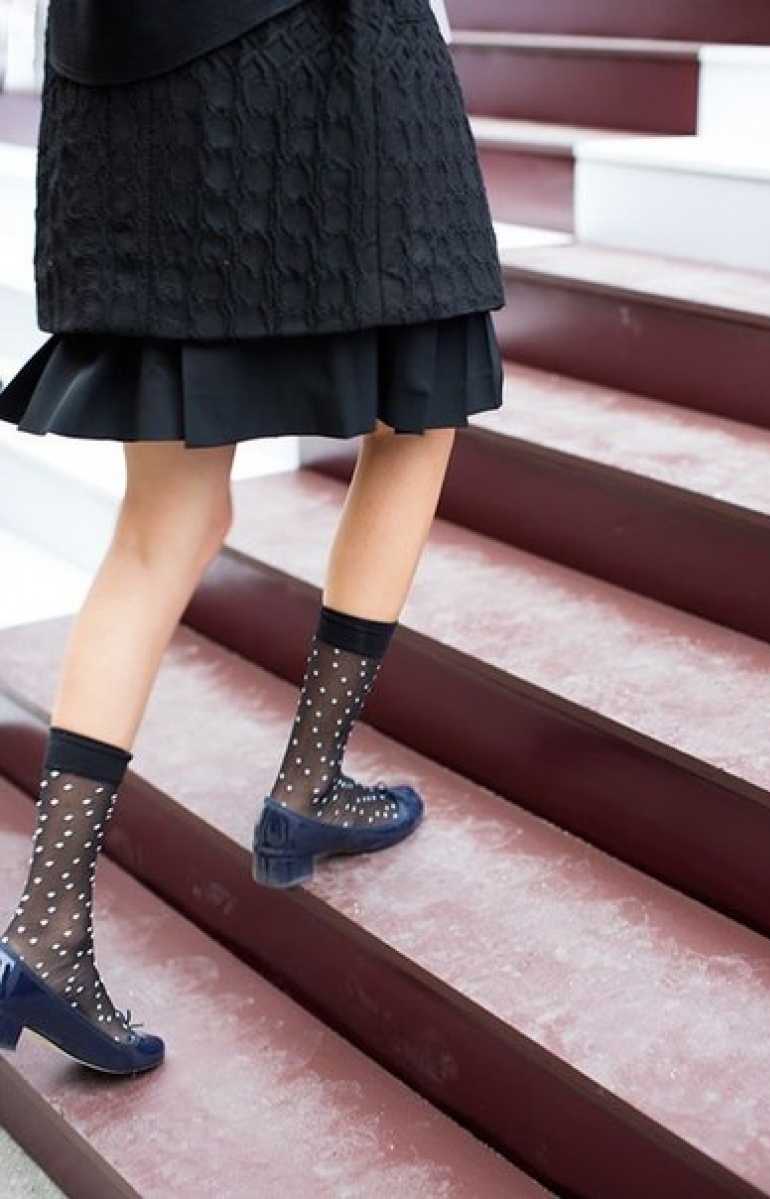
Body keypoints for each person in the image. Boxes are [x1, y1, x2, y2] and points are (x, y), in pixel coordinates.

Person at [0, 0, 503, 1076]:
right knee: (418, 412)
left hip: (119, 88)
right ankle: (310, 780)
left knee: (161, 524)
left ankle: (45, 922)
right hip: (318, 65)